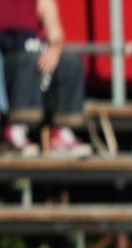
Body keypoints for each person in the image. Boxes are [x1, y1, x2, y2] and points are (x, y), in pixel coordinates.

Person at [1, 0, 90, 156]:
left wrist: (54, 50)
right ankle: (14, 129)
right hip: (7, 56)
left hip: (32, 51)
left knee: (71, 63)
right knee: (30, 62)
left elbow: (57, 36)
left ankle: (60, 132)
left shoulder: (42, 2)